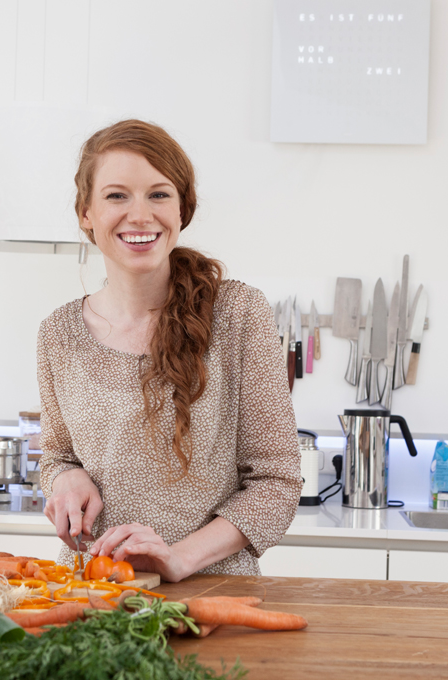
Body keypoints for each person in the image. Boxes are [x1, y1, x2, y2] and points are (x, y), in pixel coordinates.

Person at [38, 120, 301, 581]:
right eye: (117, 196)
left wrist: (179, 558)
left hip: (212, 594)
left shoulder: (237, 313)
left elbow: (277, 483)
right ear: (86, 213)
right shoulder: (57, 333)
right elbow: (57, 456)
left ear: (183, 210)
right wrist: (65, 478)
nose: (140, 215)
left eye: (158, 195)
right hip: (90, 591)